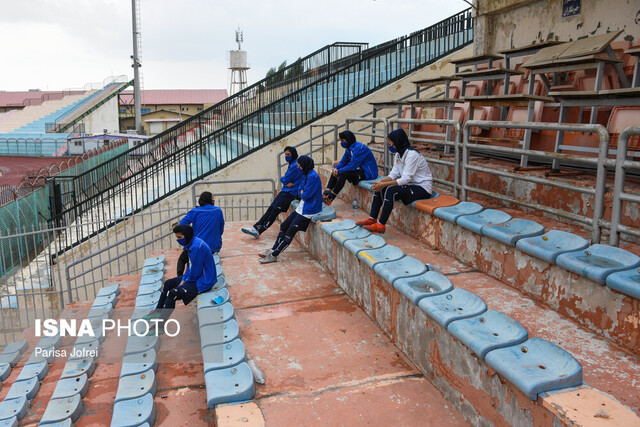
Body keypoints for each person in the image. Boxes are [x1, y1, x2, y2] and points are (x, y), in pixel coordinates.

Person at [356, 129, 432, 234]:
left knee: (391, 190)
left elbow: (405, 179)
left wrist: (383, 184)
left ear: (397, 142)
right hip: (410, 185)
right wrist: (380, 183)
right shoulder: (398, 155)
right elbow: (394, 174)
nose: (390, 146)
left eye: (391, 144)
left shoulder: (412, 155)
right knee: (380, 188)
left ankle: (381, 225)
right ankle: (372, 218)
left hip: (422, 188)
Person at [146, 224, 217, 331]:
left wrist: (184, 282)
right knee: (168, 283)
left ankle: (160, 326)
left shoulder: (197, 247)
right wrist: (184, 279)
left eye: (179, 237)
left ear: (187, 235)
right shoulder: (191, 244)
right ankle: (158, 311)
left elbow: (196, 272)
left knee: (173, 294)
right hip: (195, 277)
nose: (178, 240)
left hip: (203, 281)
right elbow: (190, 266)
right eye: (177, 237)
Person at [259, 155, 322, 264]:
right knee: (284, 226)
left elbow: (306, 195)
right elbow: (299, 191)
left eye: (300, 166)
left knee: (290, 231)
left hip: (310, 210)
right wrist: (302, 192)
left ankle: (274, 255)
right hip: (301, 207)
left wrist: (303, 192)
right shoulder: (305, 174)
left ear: (305, 166)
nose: (299, 168)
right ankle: (273, 249)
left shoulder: (313, 177)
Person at [241, 146, 303, 238]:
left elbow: (285, 179)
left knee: (274, 211)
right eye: (285, 154)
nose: (286, 156)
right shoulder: (291, 164)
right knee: (271, 209)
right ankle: (256, 227)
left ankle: (259, 231)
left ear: (293, 154)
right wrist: (285, 180)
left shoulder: (295, 165)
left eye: (288, 154)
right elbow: (285, 180)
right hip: (285, 191)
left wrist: (286, 180)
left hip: (290, 193)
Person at [323, 130, 378, 205]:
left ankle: (330, 198)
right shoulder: (349, 149)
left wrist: (339, 171)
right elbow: (343, 162)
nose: (341, 143)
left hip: (368, 174)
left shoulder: (360, 148)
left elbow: (352, 166)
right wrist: (336, 169)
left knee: (343, 174)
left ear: (348, 139)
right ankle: (326, 193)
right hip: (359, 170)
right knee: (337, 171)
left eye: (343, 140)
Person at [177, 191, 224, 276]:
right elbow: (221, 229)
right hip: (213, 248)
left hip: (196, 246)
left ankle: (179, 278)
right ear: (209, 200)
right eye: (213, 198)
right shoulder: (218, 211)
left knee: (183, 259)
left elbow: (181, 225)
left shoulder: (195, 212)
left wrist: (189, 235)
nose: (214, 200)